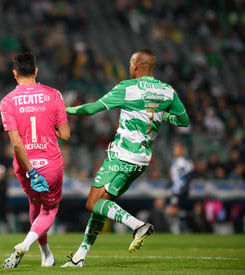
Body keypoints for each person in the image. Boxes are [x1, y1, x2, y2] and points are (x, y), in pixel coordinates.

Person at [62, 49, 189, 267]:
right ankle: (79, 257)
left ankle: (138, 225)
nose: (129, 67)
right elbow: (183, 121)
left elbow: (92, 108)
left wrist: (65, 110)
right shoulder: (167, 91)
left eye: (131, 63)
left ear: (137, 65)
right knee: (103, 203)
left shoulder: (128, 88)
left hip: (122, 155)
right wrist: (160, 114)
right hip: (142, 160)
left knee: (93, 203)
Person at [0, 52, 70, 268]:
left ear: (14, 74)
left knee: (34, 202)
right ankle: (25, 244)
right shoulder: (54, 95)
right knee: (49, 210)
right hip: (50, 163)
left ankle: (46, 255)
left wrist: (30, 170)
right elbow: (66, 135)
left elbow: (16, 143)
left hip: (24, 165)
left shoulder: (7, 101)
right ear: (36, 71)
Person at [165, 142, 194, 234]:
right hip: (175, 190)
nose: (175, 151)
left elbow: (187, 176)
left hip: (180, 191)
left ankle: (181, 229)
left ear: (182, 150)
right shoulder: (175, 161)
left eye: (177, 149)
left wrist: (182, 189)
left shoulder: (183, 162)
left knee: (172, 210)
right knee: (175, 211)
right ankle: (182, 228)